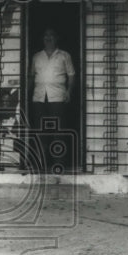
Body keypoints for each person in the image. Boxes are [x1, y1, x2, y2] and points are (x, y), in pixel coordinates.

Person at [28, 27, 75, 171]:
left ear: (57, 38)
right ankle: (41, 163)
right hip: (39, 97)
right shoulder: (36, 56)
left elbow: (71, 75)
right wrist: (26, 94)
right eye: (45, 35)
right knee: (40, 130)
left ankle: (58, 163)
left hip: (57, 96)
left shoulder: (64, 55)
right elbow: (31, 76)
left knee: (58, 130)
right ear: (42, 39)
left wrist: (69, 91)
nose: (48, 38)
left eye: (51, 35)